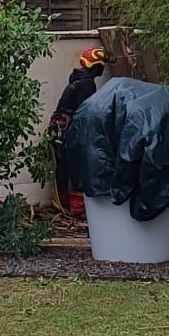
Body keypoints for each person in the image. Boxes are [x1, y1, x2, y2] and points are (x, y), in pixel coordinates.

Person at [48, 45, 106, 216]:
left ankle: (65, 206)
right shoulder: (87, 84)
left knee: (64, 169)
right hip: (70, 132)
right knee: (77, 169)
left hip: (59, 129)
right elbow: (85, 113)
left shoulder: (77, 80)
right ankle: (77, 209)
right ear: (96, 67)